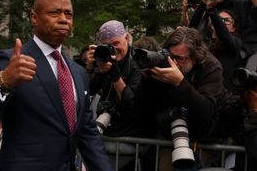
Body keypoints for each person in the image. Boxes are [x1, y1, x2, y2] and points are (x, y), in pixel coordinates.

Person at [0, 0, 113, 171]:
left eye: (68, 14)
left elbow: (87, 133)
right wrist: (2, 84)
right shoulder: (10, 61)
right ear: (34, 18)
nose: (63, 19)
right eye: (54, 12)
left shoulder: (78, 72)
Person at [137, 27, 230, 171]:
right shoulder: (165, 63)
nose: (174, 63)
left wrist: (180, 83)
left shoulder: (211, 66)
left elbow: (206, 111)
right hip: (170, 136)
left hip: (205, 138)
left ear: (196, 56)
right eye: (171, 56)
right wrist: (147, 79)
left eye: (181, 58)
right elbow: (143, 108)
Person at [85, 20, 146, 170]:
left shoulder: (138, 61)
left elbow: (131, 104)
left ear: (126, 38)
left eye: (116, 43)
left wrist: (113, 74)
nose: (113, 49)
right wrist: (94, 68)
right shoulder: (105, 60)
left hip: (132, 136)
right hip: (109, 131)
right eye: (108, 45)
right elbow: (89, 91)